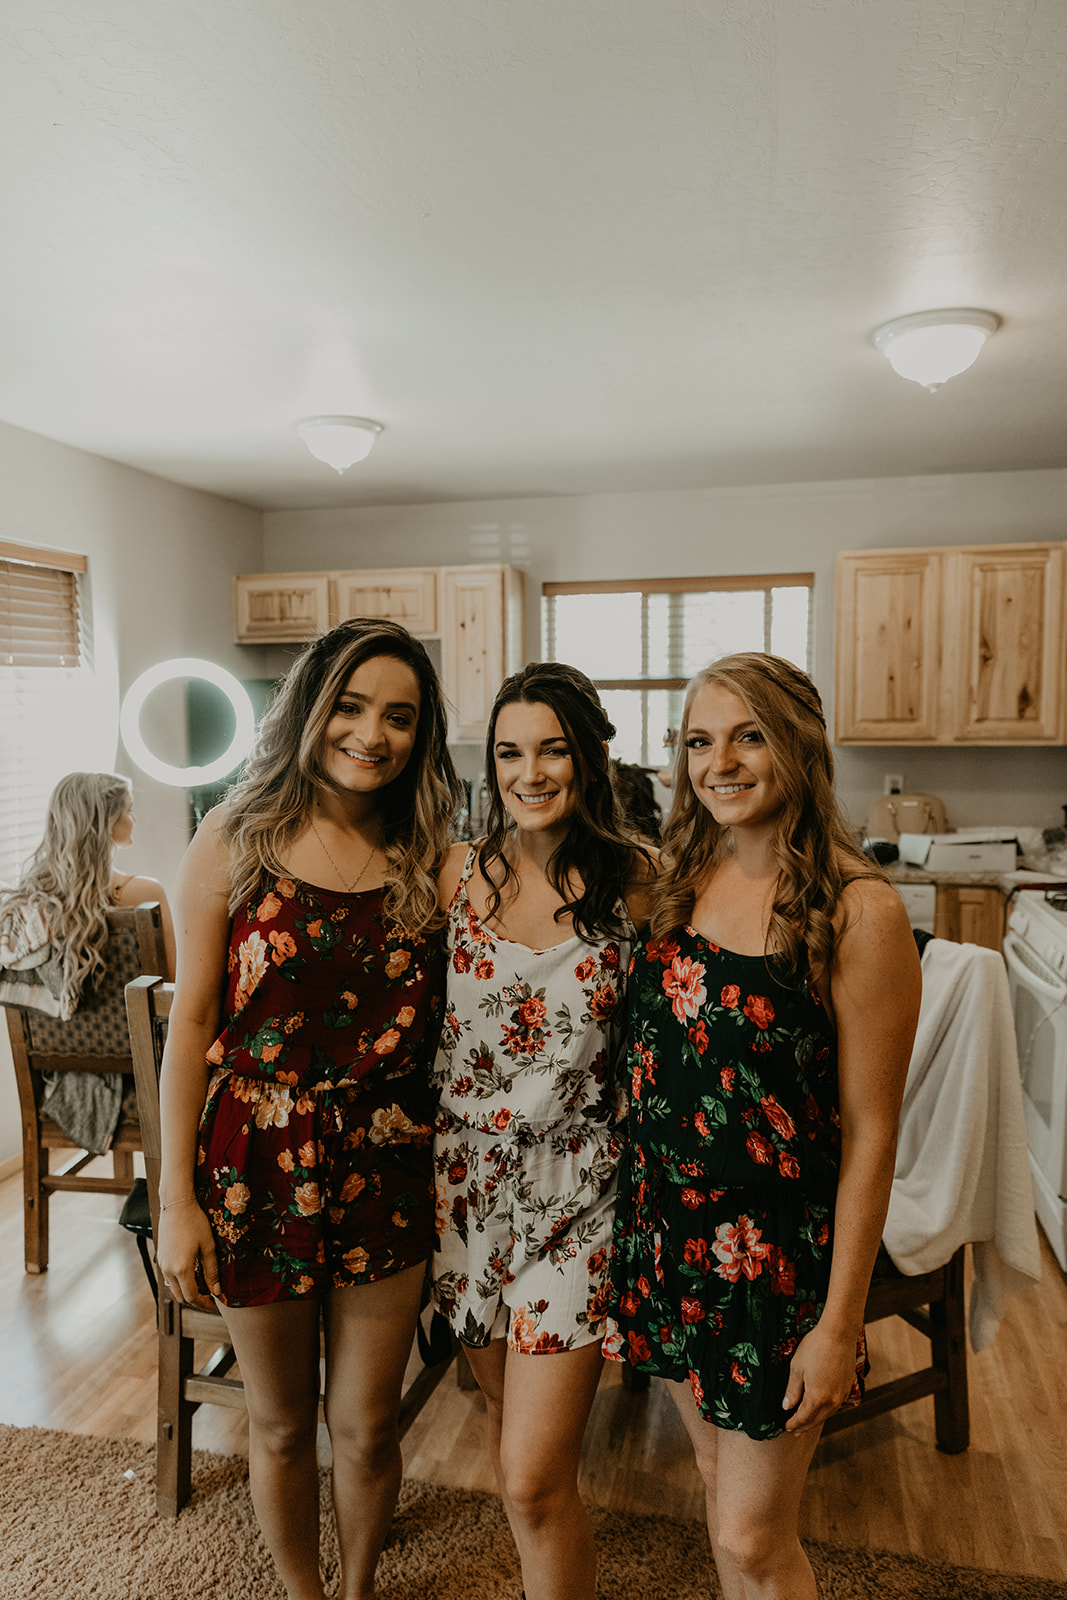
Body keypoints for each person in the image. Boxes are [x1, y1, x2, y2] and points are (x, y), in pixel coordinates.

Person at [155, 618, 462, 1600]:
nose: (372, 733)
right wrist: (175, 1200)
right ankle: (300, 1594)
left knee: (366, 1423)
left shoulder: (433, 855)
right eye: (353, 705)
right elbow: (191, 1020)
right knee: (280, 1421)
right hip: (252, 1159)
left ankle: (358, 1587)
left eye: (400, 716)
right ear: (311, 707)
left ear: (422, 735)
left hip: (388, 1159)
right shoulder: (233, 835)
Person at [605, 652, 921, 1600]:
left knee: (751, 1536)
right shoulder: (674, 881)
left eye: (747, 735)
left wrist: (837, 1325)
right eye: (699, 740)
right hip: (665, 1238)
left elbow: (871, 1134)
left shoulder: (857, 909)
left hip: (775, 1266)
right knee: (712, 1483)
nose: (720, 762)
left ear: (799, 744)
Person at [430, 662, 656, 1600]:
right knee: (501, 1430)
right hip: (460, 1190)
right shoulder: (454, 873)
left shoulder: (641, 883)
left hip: (578, 1191)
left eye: (552, 749)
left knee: (529, 1477)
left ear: (589, 756)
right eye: (510, 751)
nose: (530, 772)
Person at [0, 770, 176, 1013]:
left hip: (55, 1045)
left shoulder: (25, 905)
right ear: (107, 822)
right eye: (129, 811)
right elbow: (172, 985)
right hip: (140, 1045)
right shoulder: (147, 893)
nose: (133, 819)